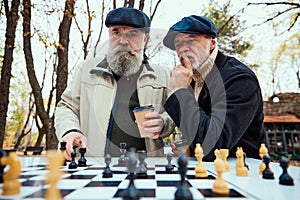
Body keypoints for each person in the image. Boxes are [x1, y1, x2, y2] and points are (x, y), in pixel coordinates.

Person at [55, 7, 174, 160]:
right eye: (116, 32)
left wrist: (163, 123)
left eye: (132, 34)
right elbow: (66, 106)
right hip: (94, 166)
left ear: (145, 38)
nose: (123, 41)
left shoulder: (163, 75)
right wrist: (69, 131)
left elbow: (174, 116)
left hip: (148, 168)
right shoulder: (86, 70)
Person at [162, 15, 266, 161]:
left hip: (245, 175)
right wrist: (188, 146)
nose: (183, 49)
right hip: (209, 172)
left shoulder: (239, 78)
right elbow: (201, 129)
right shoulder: (191, 78)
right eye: (178, 44)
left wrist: (179, 92)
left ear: (211, 43)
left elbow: (214, 144)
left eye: (191, 40)